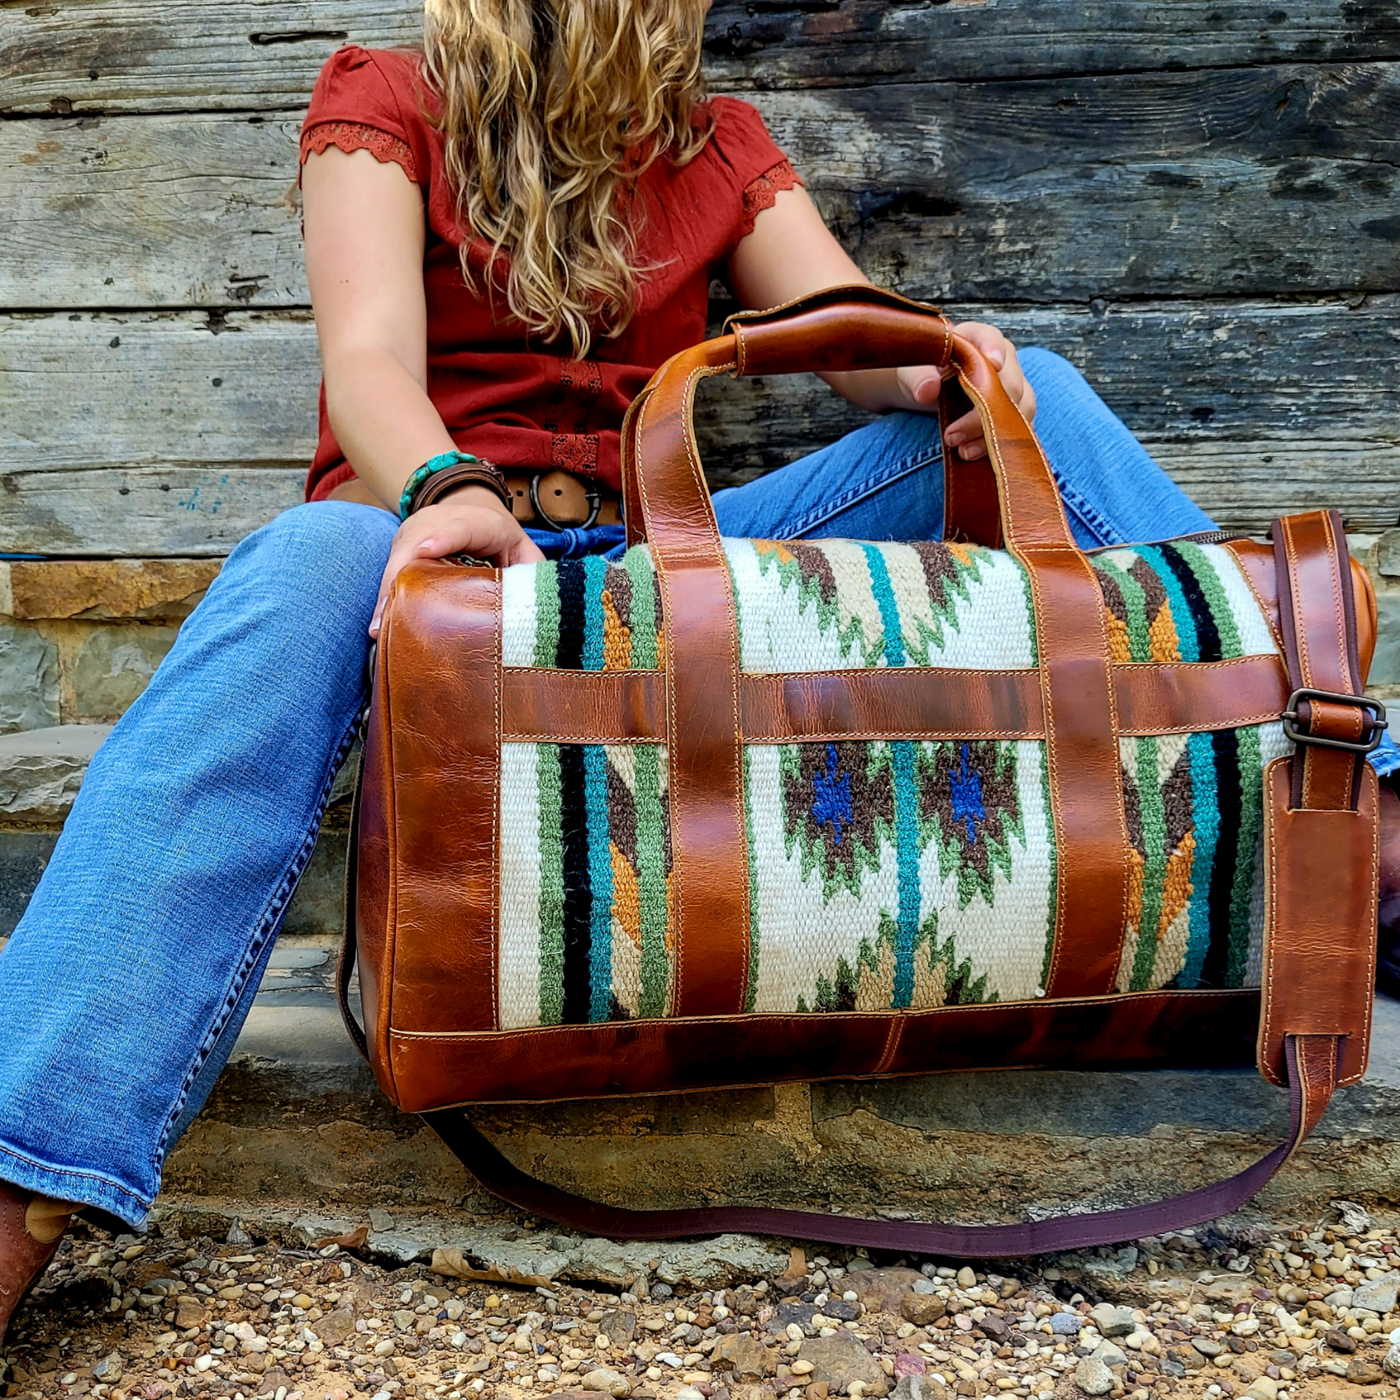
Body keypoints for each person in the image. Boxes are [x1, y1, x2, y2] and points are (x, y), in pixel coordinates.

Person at [0, 0, 1396, 1346]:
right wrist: (444, 483)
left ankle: (1368, 816)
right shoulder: (387, 100)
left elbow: (846, 322)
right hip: (431, 548)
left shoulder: (715, 141)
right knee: (304, 560)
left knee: (1034, 383)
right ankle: (22, 1174)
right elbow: (366, 362)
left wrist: (942, 381)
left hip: (657, 575)